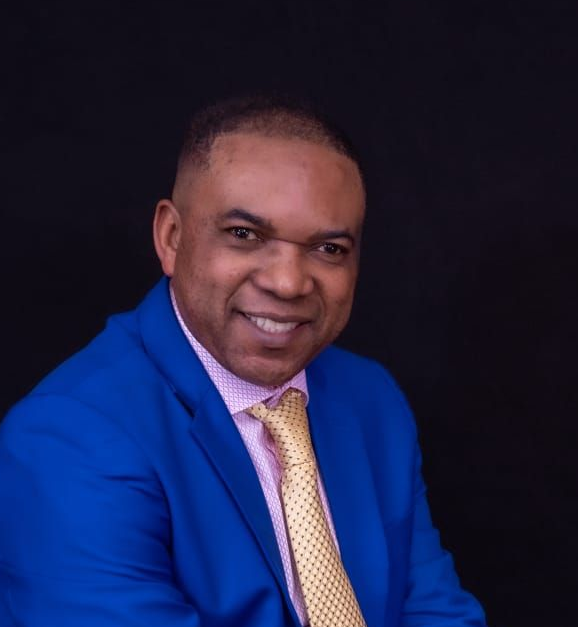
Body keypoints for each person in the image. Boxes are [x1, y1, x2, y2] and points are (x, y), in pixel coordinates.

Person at [0, 96, 487, 626]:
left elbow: (436, 610)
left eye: (328, 249)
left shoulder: (370, 399)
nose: (288, 282)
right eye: (244, 235)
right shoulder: (69, 439)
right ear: (171, 237)